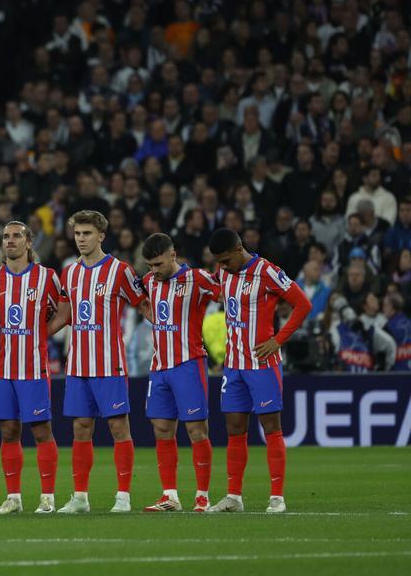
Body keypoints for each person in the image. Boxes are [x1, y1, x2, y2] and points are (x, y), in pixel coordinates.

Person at [0, 220, 69, 514]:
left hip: (33, 369)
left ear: (29, 242)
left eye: (17, 236)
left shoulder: (47, 277)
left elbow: (65, 312)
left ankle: (47, 498)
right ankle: (13, 498)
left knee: (42, 431)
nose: (10, 241)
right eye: (6, 237)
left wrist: (43, 334)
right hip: (3, 370)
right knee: (8, 432)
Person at [207, 228, 311, 514]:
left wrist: (278, 340)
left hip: (261, 364)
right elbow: (217, 293)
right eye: (219, 262)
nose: (223, 267)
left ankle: (276, 497)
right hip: (233, 365)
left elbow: (303, 304)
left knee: (271, 426)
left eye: (226, 260)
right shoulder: (224, 270)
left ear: (240, 249)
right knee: (234, 427)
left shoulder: (267, 271)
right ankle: (233, 497)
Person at [56, 210, 150, 514]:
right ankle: (80, 497)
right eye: (78, 234)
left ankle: (123, 496)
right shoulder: (69, 272)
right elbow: (64, 314)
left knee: (118, 427)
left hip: (109, 364)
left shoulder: (120, 271)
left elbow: (144, 305)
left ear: (101, 236)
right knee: (80, 428)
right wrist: (35, 336)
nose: (81, 239)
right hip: (78, 365)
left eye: (87, 234)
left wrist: (169, 332)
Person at [138, 233, 219, 513]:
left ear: (173, 256)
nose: (153, 271)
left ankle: (202, 496)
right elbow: (143, 304)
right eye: (149, 265)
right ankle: (169, 495)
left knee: (197, 431)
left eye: (158, 264)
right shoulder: (149, 282)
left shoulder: (198, 279)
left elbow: (227, 292)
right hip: (160, 367)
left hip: (189, 364)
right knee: (162, 430)